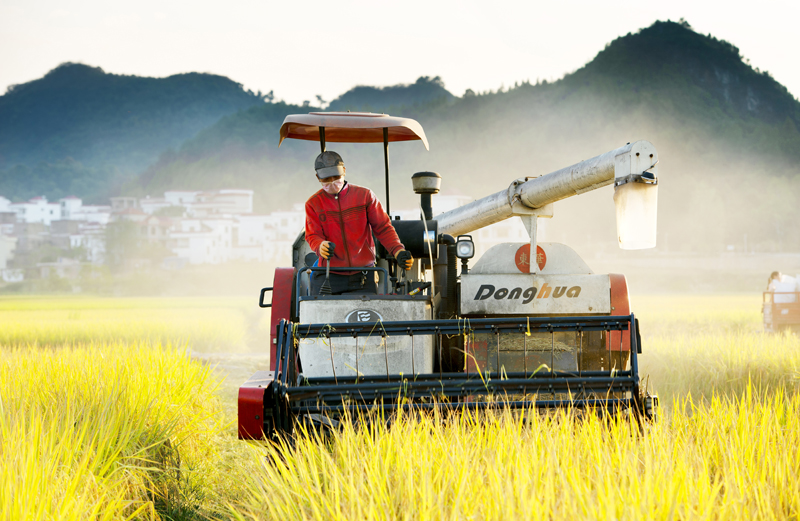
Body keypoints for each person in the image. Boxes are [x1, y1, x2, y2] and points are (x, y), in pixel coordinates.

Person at [305, 150, 413, 295]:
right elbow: (313, 235)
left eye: (336, 176)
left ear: (344, 171)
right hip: (328, 277)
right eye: (326, 179)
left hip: (363, 276)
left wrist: (398, 251)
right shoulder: (313, 204)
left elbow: (383, 228)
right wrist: (320, 245)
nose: (332, 182)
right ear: (318, 177)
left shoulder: (365, 196)